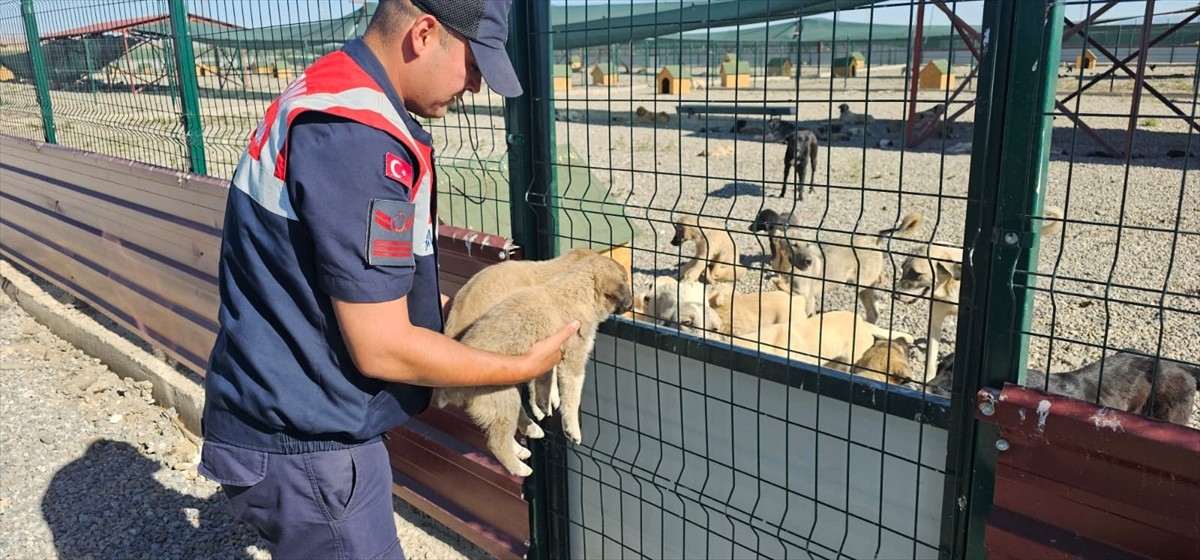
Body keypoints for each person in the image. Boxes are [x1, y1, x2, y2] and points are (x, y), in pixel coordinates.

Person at [197, 0, 580, 557]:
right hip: (308, 447)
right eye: (474, 66)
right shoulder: (358, 141)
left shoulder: (329, 89)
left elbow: (334, 271)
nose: (474, 88)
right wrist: (519, 366)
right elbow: (382, 347)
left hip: (284, 415)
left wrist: (455, 306)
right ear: (424, 33)